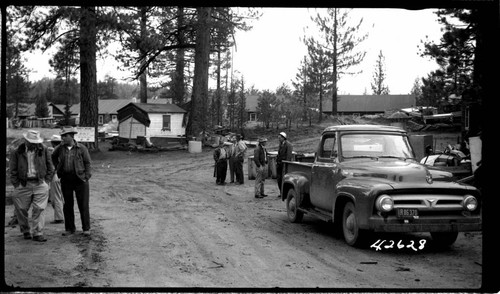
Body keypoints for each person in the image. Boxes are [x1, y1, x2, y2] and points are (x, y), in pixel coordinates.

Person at [9, 130, 54, 242]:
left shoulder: (43, 150)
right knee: (21, 209)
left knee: (39, 209)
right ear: (26, 141)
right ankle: (25, 230)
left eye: (36, 142)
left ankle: (38, 233)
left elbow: (50, 166)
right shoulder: (17, 152)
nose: (34, 144)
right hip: (23, 184)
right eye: (32, 142)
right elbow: (12, 169)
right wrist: (16, 184)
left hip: (39, 182)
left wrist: (47, 181)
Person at [51, 126, 92, 237]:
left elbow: (87, 163)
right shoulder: (60, 148)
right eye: (62, 136)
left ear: (72, 137)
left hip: (80, 180)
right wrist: (58, 168)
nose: (63, 138)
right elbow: (53, 157)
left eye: (65, 136)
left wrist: (87, 176)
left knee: (83, 204)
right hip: (66, 179)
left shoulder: (81, 148)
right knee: (68, 205)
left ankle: (86, 228)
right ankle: (69, 228)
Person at [48, 134, 65, 224]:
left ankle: (59, 217)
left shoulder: (54, 152)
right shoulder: (63, 151)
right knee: (59, 196)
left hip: (56, 175)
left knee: (56, 197)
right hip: (62, 175)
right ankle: (60, 215)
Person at [276, 131, 293, 197]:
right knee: (279, 179)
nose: (279, 139)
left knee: (284, 178)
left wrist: (286, 163)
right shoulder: (280, 144)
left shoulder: (289, 145)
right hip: (279, 164)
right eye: (278, 138)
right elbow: (279, 154)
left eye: (280, 138)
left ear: (284, 138)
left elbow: (288, 156)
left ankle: (284, 193)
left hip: (284, 164)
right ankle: (281, 192)